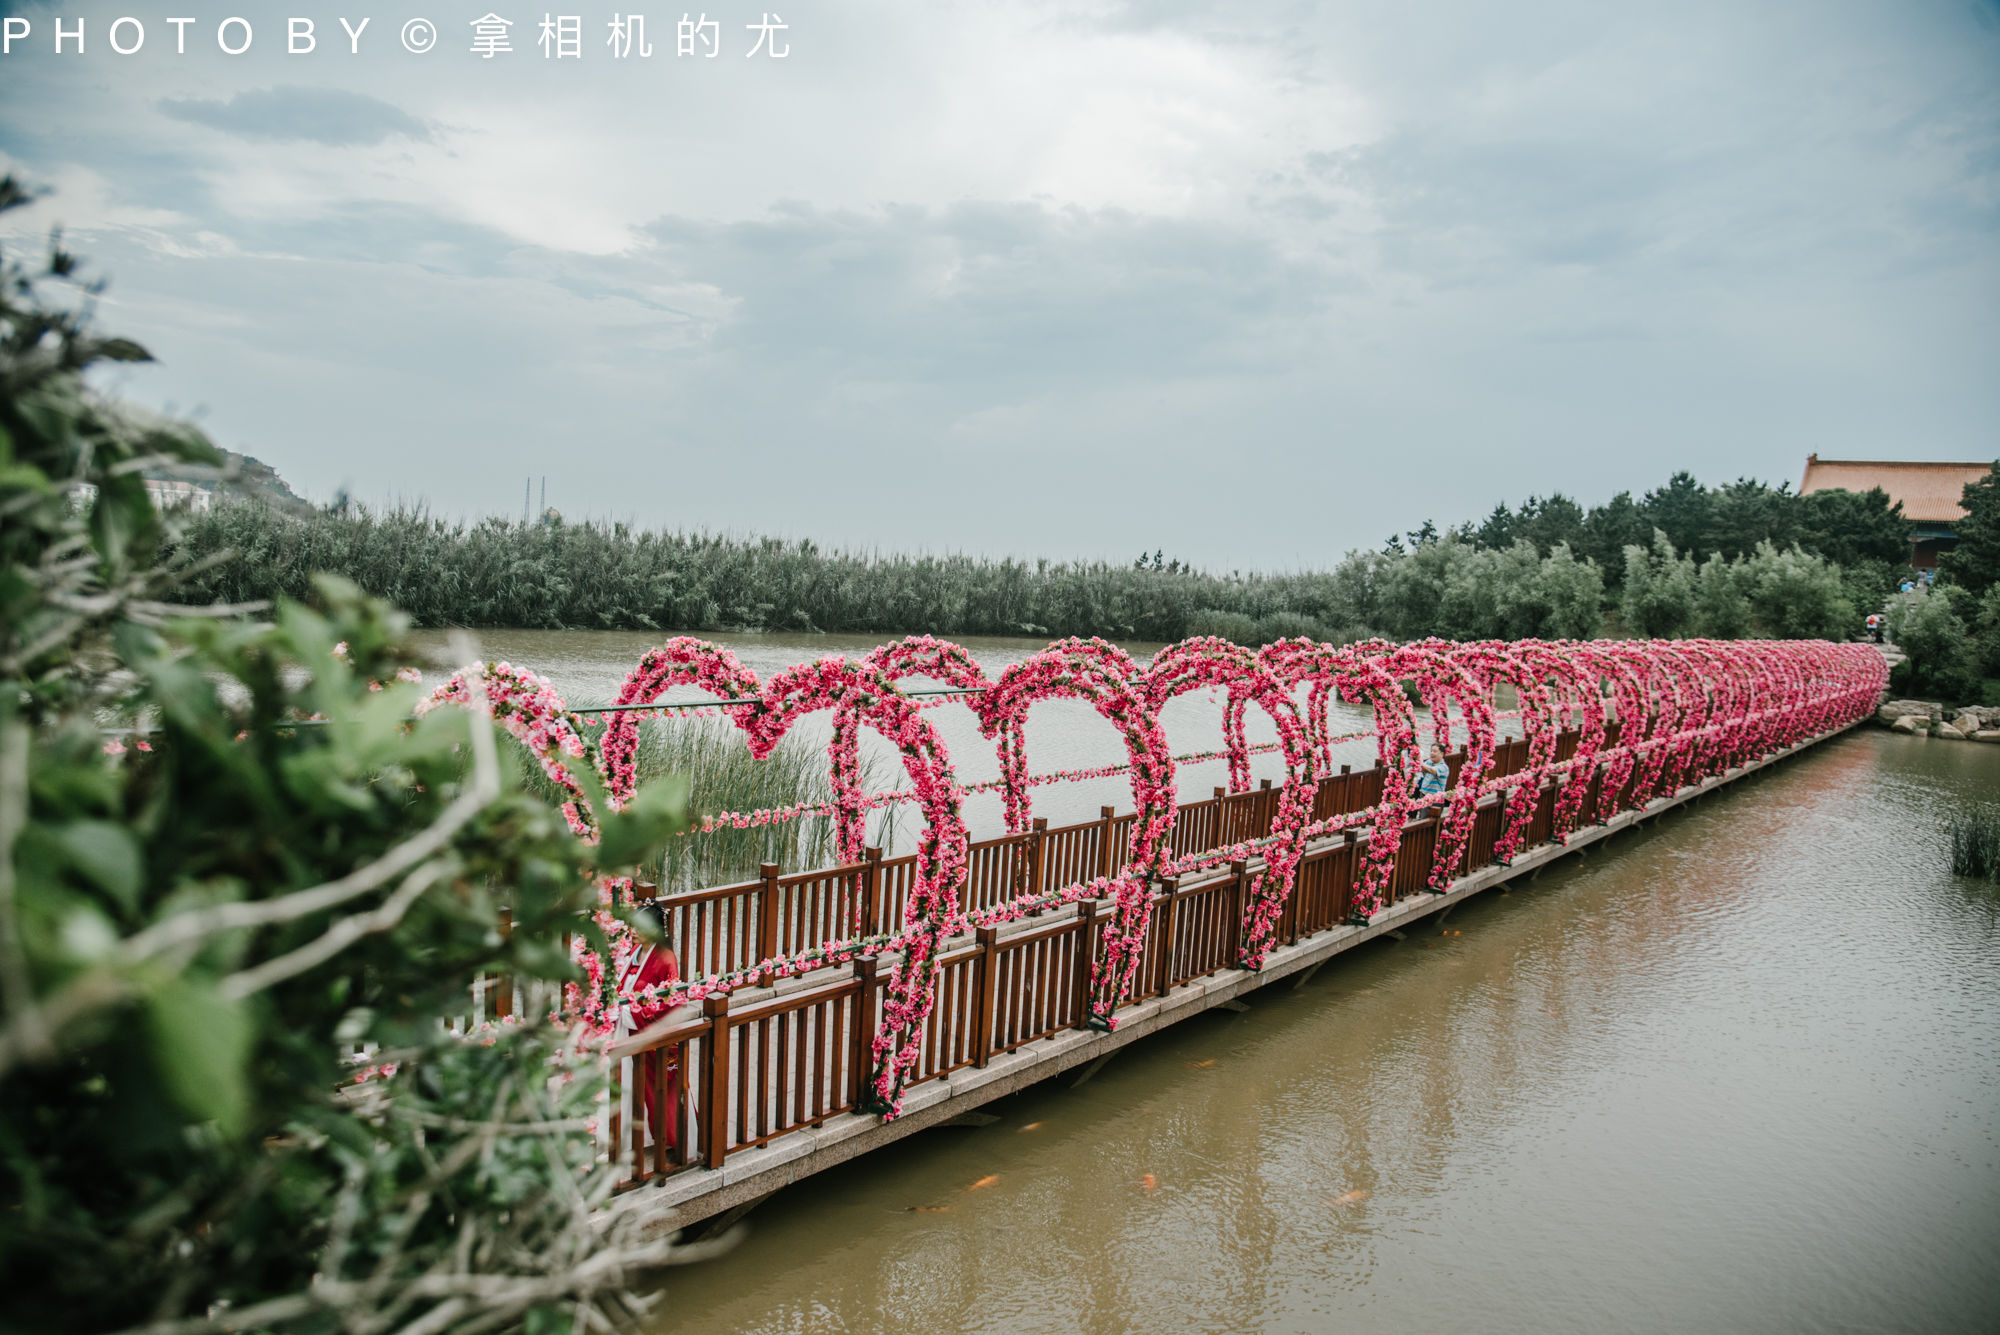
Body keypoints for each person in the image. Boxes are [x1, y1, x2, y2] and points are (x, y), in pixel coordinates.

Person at [616, 902, 684, 1154]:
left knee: (660, 1091)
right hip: (630, 1032)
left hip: (652, 1033)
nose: (633, 930)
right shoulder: (634, 953)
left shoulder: (666, 959)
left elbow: (671, 1002)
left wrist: (633, 1013)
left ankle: (672, 1140)